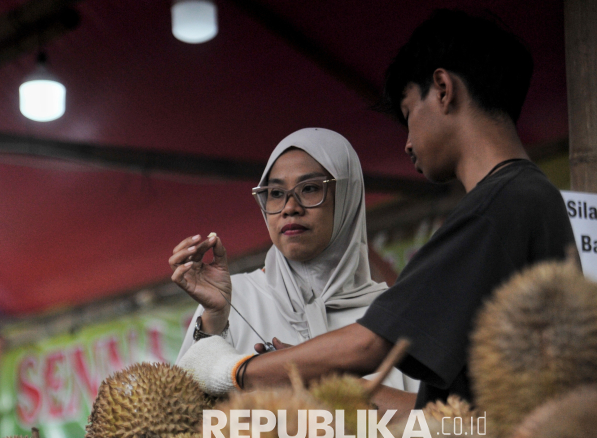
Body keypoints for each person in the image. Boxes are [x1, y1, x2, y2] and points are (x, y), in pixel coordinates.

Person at [177, 9, 576, 415]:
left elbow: (369, 345)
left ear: (442, 88)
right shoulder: (532, 198)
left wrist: (235, 371)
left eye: (407, 114)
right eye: (275, 194)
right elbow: (441, 416)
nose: (407, 144)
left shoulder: (496, 208)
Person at [171, 128, 417, 393]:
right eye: (276, 193)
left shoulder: (392, 318)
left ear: (347, 196)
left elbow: (430, 424)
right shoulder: (233, 299)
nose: (289, 207)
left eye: (309, 188)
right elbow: (187, 421)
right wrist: (214, 321)